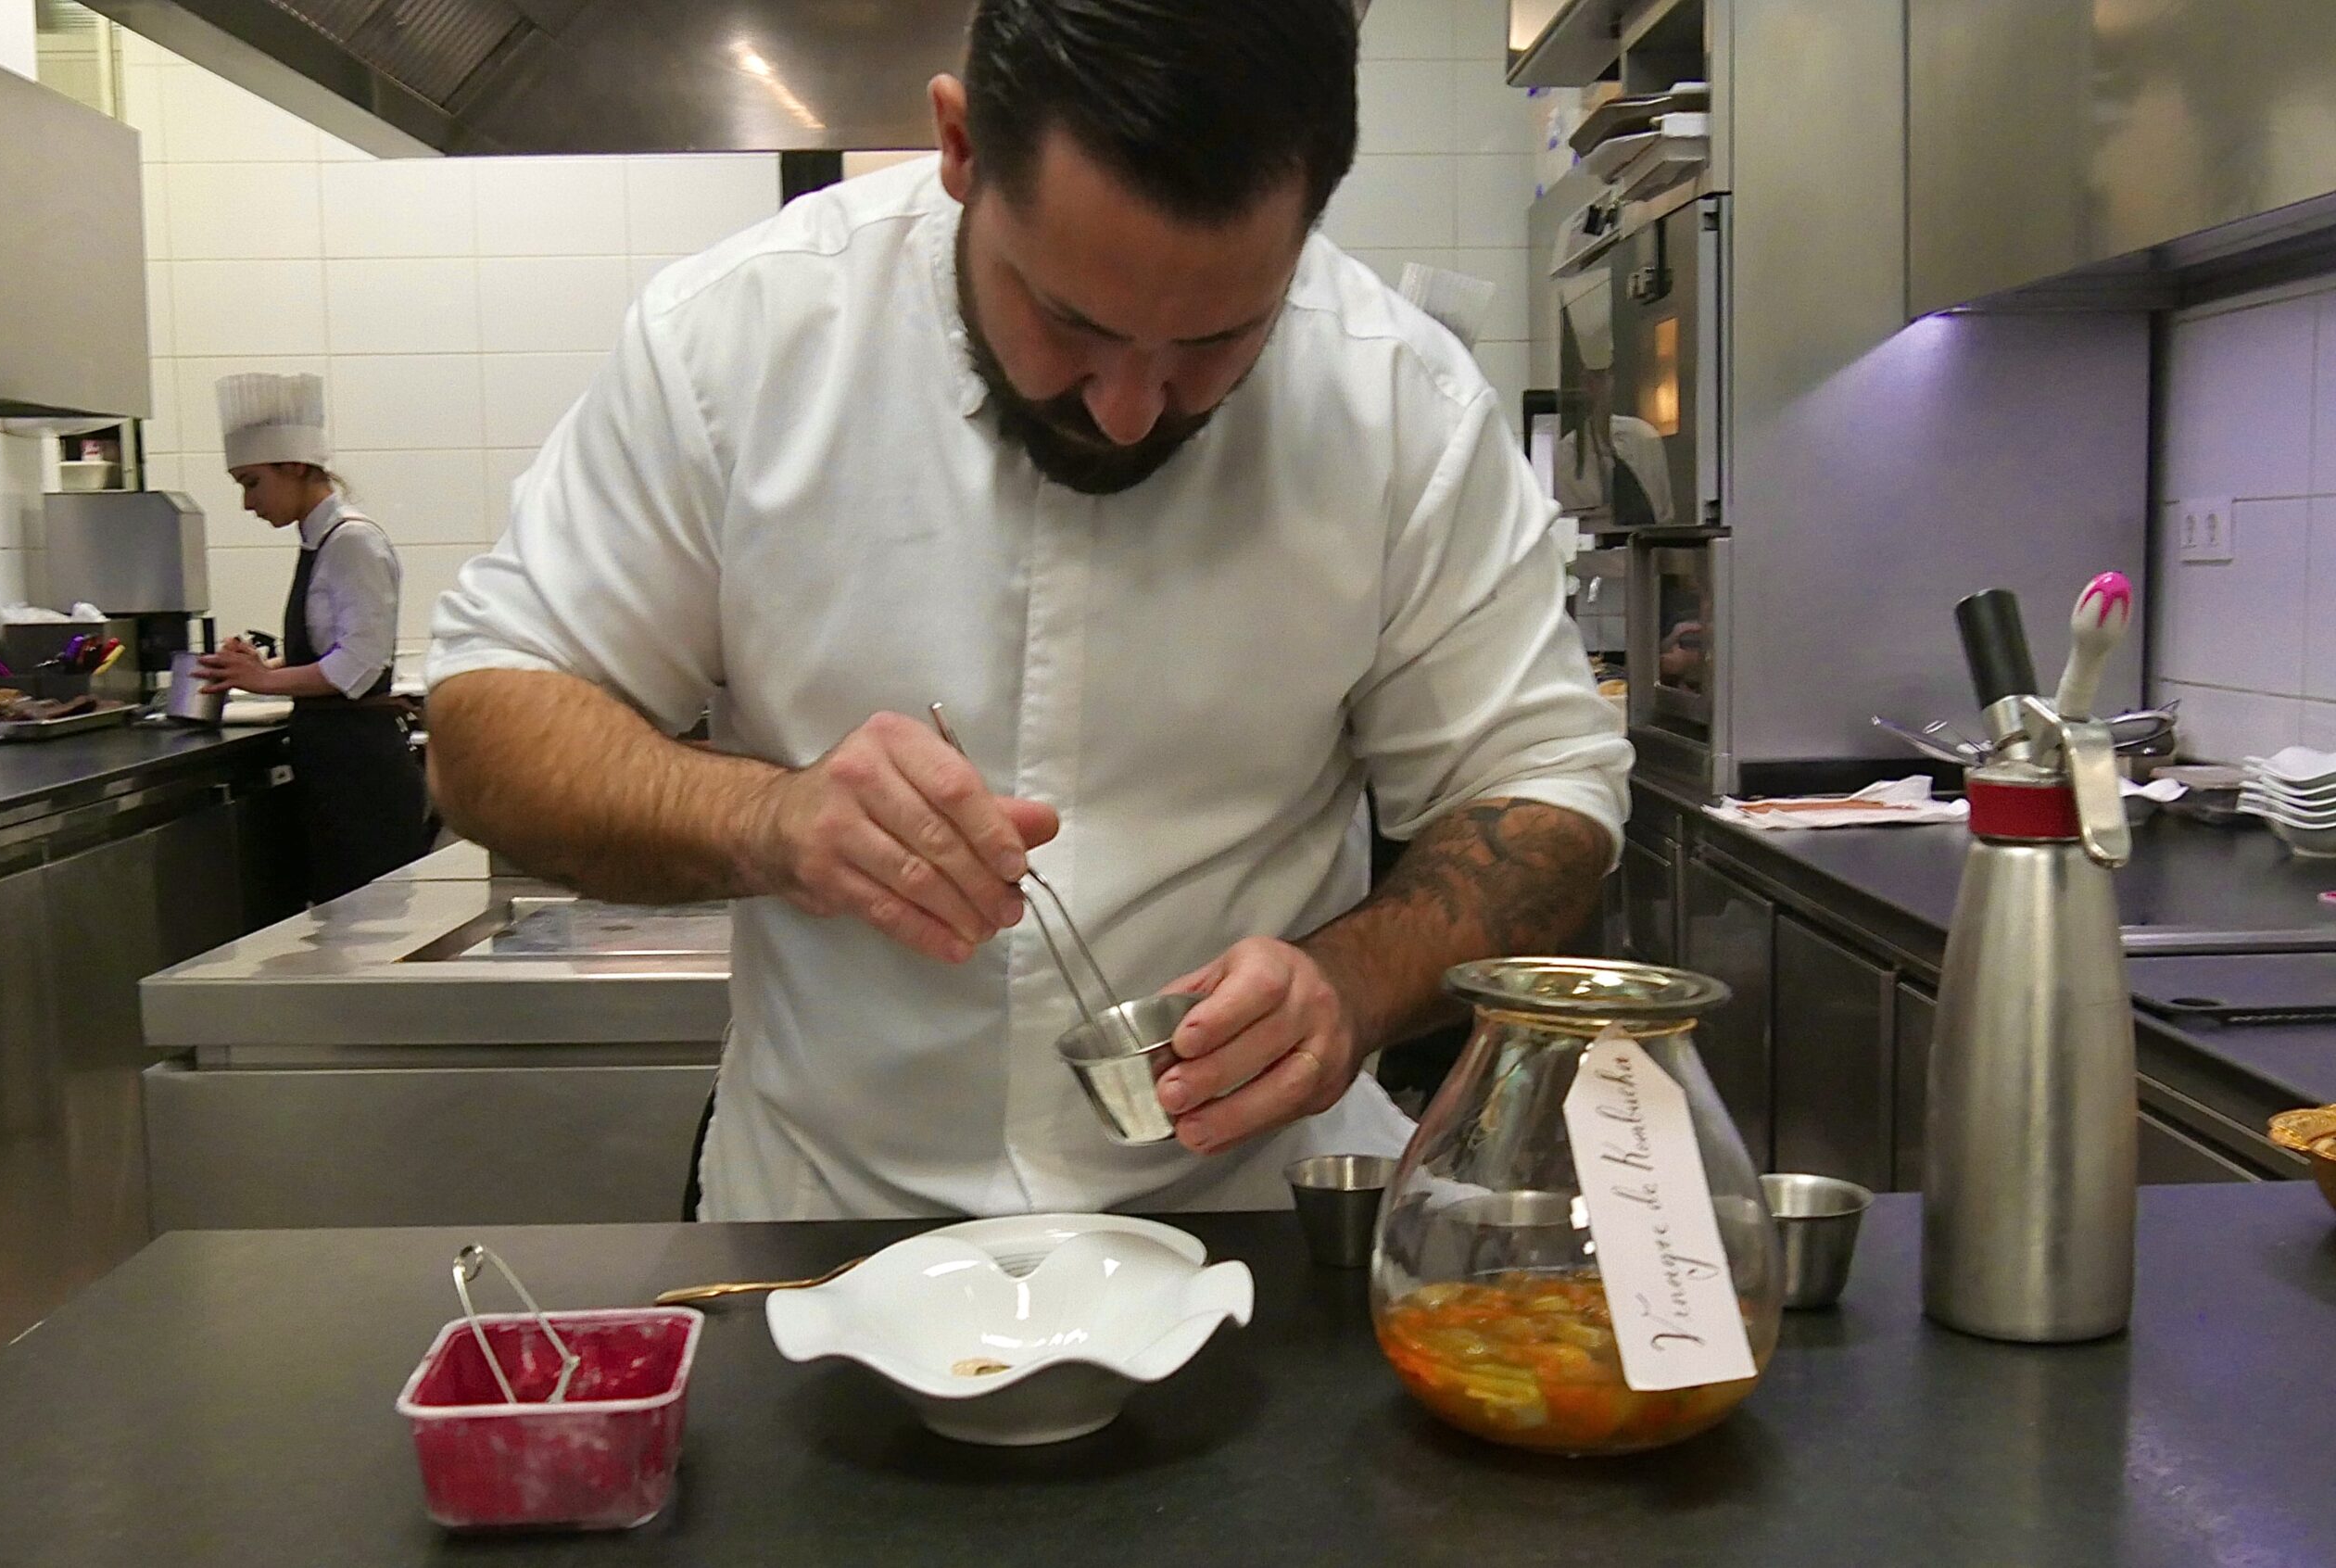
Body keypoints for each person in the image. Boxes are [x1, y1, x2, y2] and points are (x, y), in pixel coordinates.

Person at [424, 0, 1632, 1221]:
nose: (1128, 408)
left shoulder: (1399, 400)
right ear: (960, 147)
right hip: (825, 1226)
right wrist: (768, 819)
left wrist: (1351, 985)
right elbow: (486, 723)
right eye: (1072, 321)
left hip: (1252, 1227)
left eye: (1221, 339)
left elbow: (1544, 793)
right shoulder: (735, 342)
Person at [197, 372, 432, 904]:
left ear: (296, 467)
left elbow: (360, 665)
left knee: (368, 930)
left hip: (363, 776)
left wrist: (262, 682)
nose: (248, 503)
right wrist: (265, 666)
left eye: (252, 483)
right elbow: (335, 647)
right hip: (335, 768)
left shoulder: (353, 542)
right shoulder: (321, 541)